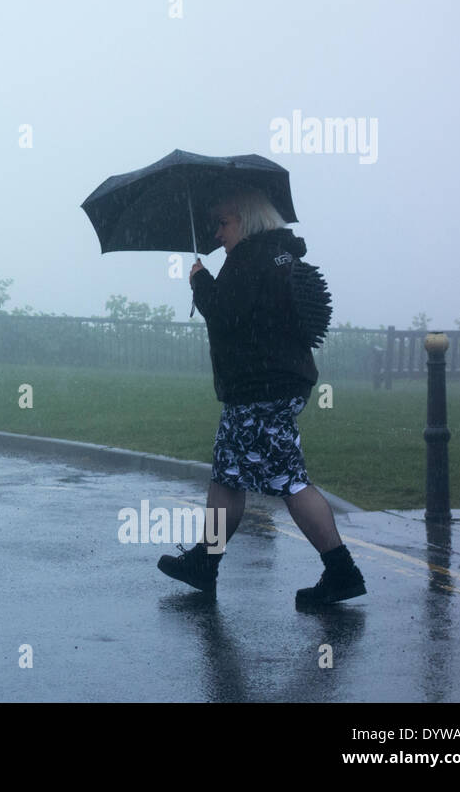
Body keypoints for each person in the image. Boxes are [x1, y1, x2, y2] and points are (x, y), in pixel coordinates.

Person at [157, 187, 366, 608]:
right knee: (228, 476)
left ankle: (340, 570)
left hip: (260, 390)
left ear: (246, 220)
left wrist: (200, 280)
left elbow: (225, 314)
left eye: (223, 223)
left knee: (287, 480)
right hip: (274, 386)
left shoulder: (249, 258)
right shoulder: (278, 256)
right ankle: (206, 561)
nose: (218, 234)